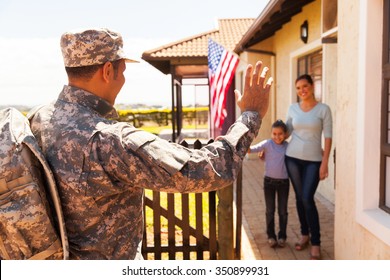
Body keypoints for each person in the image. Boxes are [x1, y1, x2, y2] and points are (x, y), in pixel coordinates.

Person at [28, 27, 273, 260]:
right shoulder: (110, 139)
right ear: (107, 71)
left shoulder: (37, 118)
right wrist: (250, 115)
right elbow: (209, 169)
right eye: (122, 71)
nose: (122, 79)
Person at [284, 74, 332, 260]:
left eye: (304, 86)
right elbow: (285, 131)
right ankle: (305, 234)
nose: (301, 90)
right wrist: (270, 146)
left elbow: (328, 137)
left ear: (312, 86)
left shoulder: (323, 109)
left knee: (307, 198)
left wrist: (325, 162)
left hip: (314, 161)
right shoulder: (292, 108)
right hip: (292, 158)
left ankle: (316, 242)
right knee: (299, 198)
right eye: (298, 88)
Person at [249, 120, 289, 248]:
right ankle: (271, 236)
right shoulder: (267, 144)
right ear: (271, 133)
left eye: (280, 134)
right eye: (274, 134)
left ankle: (282, 236)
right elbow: (251, 150)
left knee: (283, 211)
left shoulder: (288, 146)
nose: (277, 137)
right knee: (270, 210)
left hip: (284, 183)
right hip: (269, 183)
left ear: (285, 134)